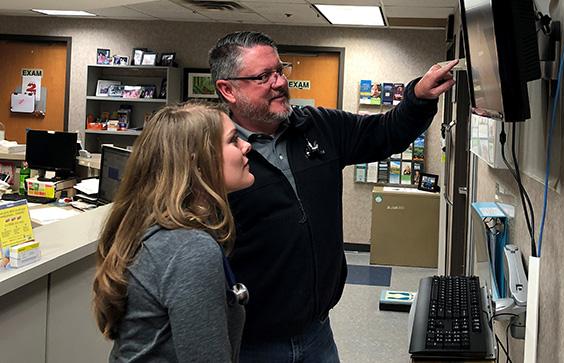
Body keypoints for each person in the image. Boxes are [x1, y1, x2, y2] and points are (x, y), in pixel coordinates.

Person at [209, 31, 457, 362]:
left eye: (280, 70)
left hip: (317, 334)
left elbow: (384, 132)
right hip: (249, 342)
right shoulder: (210, 153)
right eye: (263, 77)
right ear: (228, 90)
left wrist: (419, 96)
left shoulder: (318, 126)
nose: (280, 82)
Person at [92, 101, 253, 362]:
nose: (247, 146)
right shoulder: (190, 249)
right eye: (233, 140)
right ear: (198, 163)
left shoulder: (153, 224)